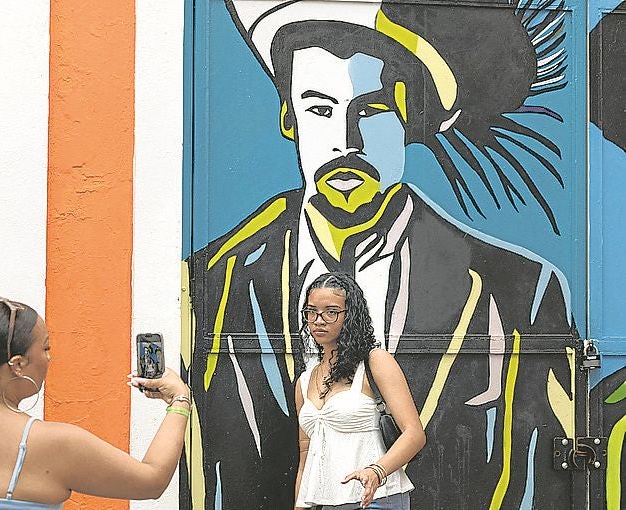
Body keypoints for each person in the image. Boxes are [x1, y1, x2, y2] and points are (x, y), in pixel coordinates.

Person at [185, 1, 577, 508]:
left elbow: (539, 480)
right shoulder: (213, 280)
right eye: (320, 109)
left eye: (371, 110)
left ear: (410, 119)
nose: (346, 140)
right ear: (289, 118)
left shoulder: (521, 290)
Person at [0, 294, 190, 508]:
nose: (51, 359)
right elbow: (151, 481)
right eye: (46, 348)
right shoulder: (51, 443)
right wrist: (179, 398)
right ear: (18, 364)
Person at [294, 272, 424, 510]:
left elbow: (414, 434)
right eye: (311, 312)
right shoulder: (305, 380)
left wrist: (377, 471)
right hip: (327, 503)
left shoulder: (374, 362)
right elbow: (306, 457)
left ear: (350, 315)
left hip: (376, 500)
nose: (318, 320)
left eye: (331, 312)